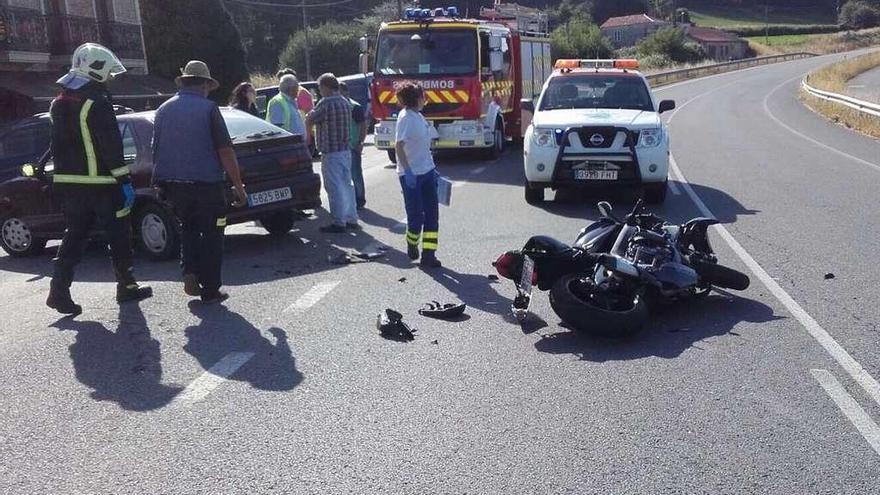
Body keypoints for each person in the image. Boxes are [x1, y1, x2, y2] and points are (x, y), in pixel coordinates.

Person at [46, 42, 153, 315]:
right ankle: (126, 286)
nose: (110, 78)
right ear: (96, 70)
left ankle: (58, 290)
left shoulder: (59, 103)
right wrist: (124, 180)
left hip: (70, 184)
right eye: (107, 72)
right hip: (102, 184)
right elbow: (110, 146)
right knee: (118, 234)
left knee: (75, 235)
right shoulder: (98, 102)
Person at [152, 61, 248, 304]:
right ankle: (211, 288)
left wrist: (160, 183)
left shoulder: (163, 110)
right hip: (207, 185)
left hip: (174, 186)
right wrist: (238, 186)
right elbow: (225, 151)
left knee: (189, 229)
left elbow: (156, 149)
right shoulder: (208, 109)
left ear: (184, 82)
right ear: (205, 84)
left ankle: (190, 271)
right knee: (214, 233)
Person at [394, 83, 441, 268]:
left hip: (427, 172)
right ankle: (412, 242)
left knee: (432, 215)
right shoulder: (406, 118)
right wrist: (408, 171)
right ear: (416, 99)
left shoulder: (419, 116)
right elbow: (398, 145)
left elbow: (423, 146)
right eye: (423, 96)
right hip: (411, 175)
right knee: (415, 216)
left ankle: (429, 255)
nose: (425, 99)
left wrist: (432, 168)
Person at [305, 73, 359, 233]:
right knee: (346, 184)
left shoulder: (326, 103)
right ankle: (351, 217)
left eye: (320, 88)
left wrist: (308, 131)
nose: (319, 91)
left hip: (330, 151)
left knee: (333, 186)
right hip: (345, 149)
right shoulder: (344, 101)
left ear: (326, 87)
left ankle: (338, 221)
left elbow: (310, 119)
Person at [339, 82, 367, 209]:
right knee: (343, 176)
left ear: (346, 92)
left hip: (353, 145)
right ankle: (348, 200)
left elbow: (363, 126)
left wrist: (360, 142)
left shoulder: (355, 107)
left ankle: (359, 200)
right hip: (341, 147)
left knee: (356, 174)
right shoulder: (337, 106)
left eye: (340, 92)